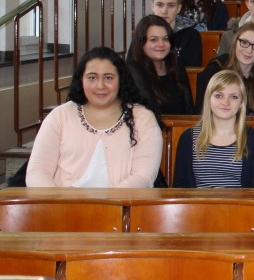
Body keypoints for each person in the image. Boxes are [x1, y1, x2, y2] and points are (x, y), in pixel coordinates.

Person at [26, 47, 163, 188]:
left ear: (121, 79)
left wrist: (106, 205)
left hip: (121, 206)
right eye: (92, 78)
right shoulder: (60, 116)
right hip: (64, 205)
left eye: (108, 78)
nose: (100, 86)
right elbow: (37, 172)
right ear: (81, 80)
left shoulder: (143, 118)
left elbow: (143, 177)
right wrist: (59, 202)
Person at [173, 70, 254, 188]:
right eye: (219, 95)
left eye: (233, 97)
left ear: (241, 103)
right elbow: (180, 188)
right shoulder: (188, 138)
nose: (225, 102)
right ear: (208, 99)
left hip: (239, 206)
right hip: (197, 206)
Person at [197, 22, 254, 116]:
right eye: (244, 42)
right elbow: (201, 115)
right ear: (235, 43)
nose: (249, 50)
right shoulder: (213, 73)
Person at [126, 15, 194, 116]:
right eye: (154, 40)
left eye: (165, 39)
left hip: (181, 129)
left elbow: (189, 110)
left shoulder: (176, 67)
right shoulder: (134, 70)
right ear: (141, 43)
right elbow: (151, 112)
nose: (161, 44)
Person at [150, 0, 201, 67]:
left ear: (178, 8)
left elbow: (192, 73)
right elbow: (132, 69)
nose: (164, 11)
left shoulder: (191, 36)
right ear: (152, 6)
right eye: (159, 5)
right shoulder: (142, 32)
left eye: (170, 5)